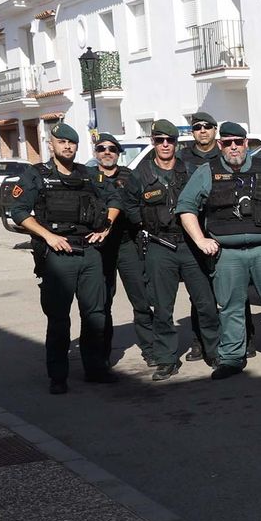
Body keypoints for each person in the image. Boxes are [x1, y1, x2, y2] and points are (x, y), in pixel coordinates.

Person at [176, 121, 261, 378]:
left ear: (246, 143)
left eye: (238, 142)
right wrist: (200, 240)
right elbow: (186, 207)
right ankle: (232, 359)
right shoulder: (207, 172)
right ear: (220, 145)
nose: (233, 147)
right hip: (227, 254)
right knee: (230, 307)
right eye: (228, 143)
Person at [7, 123, 121, 393]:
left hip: (89, 252)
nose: (67, 146)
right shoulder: (37, 175)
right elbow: (18, 211)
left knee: (95, 315)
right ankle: (58, 376)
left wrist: (106, 227)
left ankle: (95, 368)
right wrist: (48, 236)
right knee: (59, 319)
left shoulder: (89, 174)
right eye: (61, 142)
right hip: (58, 255)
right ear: (51, 145)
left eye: (71, 143)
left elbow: (116, 199)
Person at [135, 119, 219, 380]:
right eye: (159, 140)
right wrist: (146, 224)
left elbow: (208, 202)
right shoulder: (140, 174)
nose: (164, 145)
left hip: (190, 244)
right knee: (162, 308)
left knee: (206, 303)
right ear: (153, 142)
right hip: (160, 246)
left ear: (175, 143)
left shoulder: (191, 170)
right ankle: (166, 359)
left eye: (169, 140)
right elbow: (128, 206)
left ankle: (214, 351)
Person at [90, 132, 154, 365]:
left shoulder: (130, 176)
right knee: (102, 303)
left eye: (112, 149)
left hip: (127, 244)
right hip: (99, 248)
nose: (107, 152)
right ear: (95, 153)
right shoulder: (88, 177)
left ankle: (151, 349)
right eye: (101, 148)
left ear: (118, 153)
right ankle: (102, 356)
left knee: (141, 300)